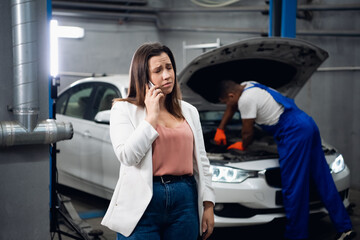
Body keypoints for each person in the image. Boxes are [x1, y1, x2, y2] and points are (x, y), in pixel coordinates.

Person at [213, 80, 356, 240]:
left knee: (293, 187)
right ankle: (345, 228)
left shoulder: (246, 100)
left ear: (231, 95)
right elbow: (232, 106)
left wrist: (241, 145)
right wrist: (220, 128)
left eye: (226, 101)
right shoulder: (248, 85)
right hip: (306, 124)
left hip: (292, 132)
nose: (228, 105)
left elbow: (247, 133)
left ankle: (296, 235)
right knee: (323, 179)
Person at [101, 42, 215, 240]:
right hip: (142, 201)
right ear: (143, 78)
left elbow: (202, 162)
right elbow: (127, 156)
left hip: (185, 200)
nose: (167, 75)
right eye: (158, 70)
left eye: (169, 67)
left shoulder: (189, 111)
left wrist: (208, 204)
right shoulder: (123, 110)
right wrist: (151, 118)